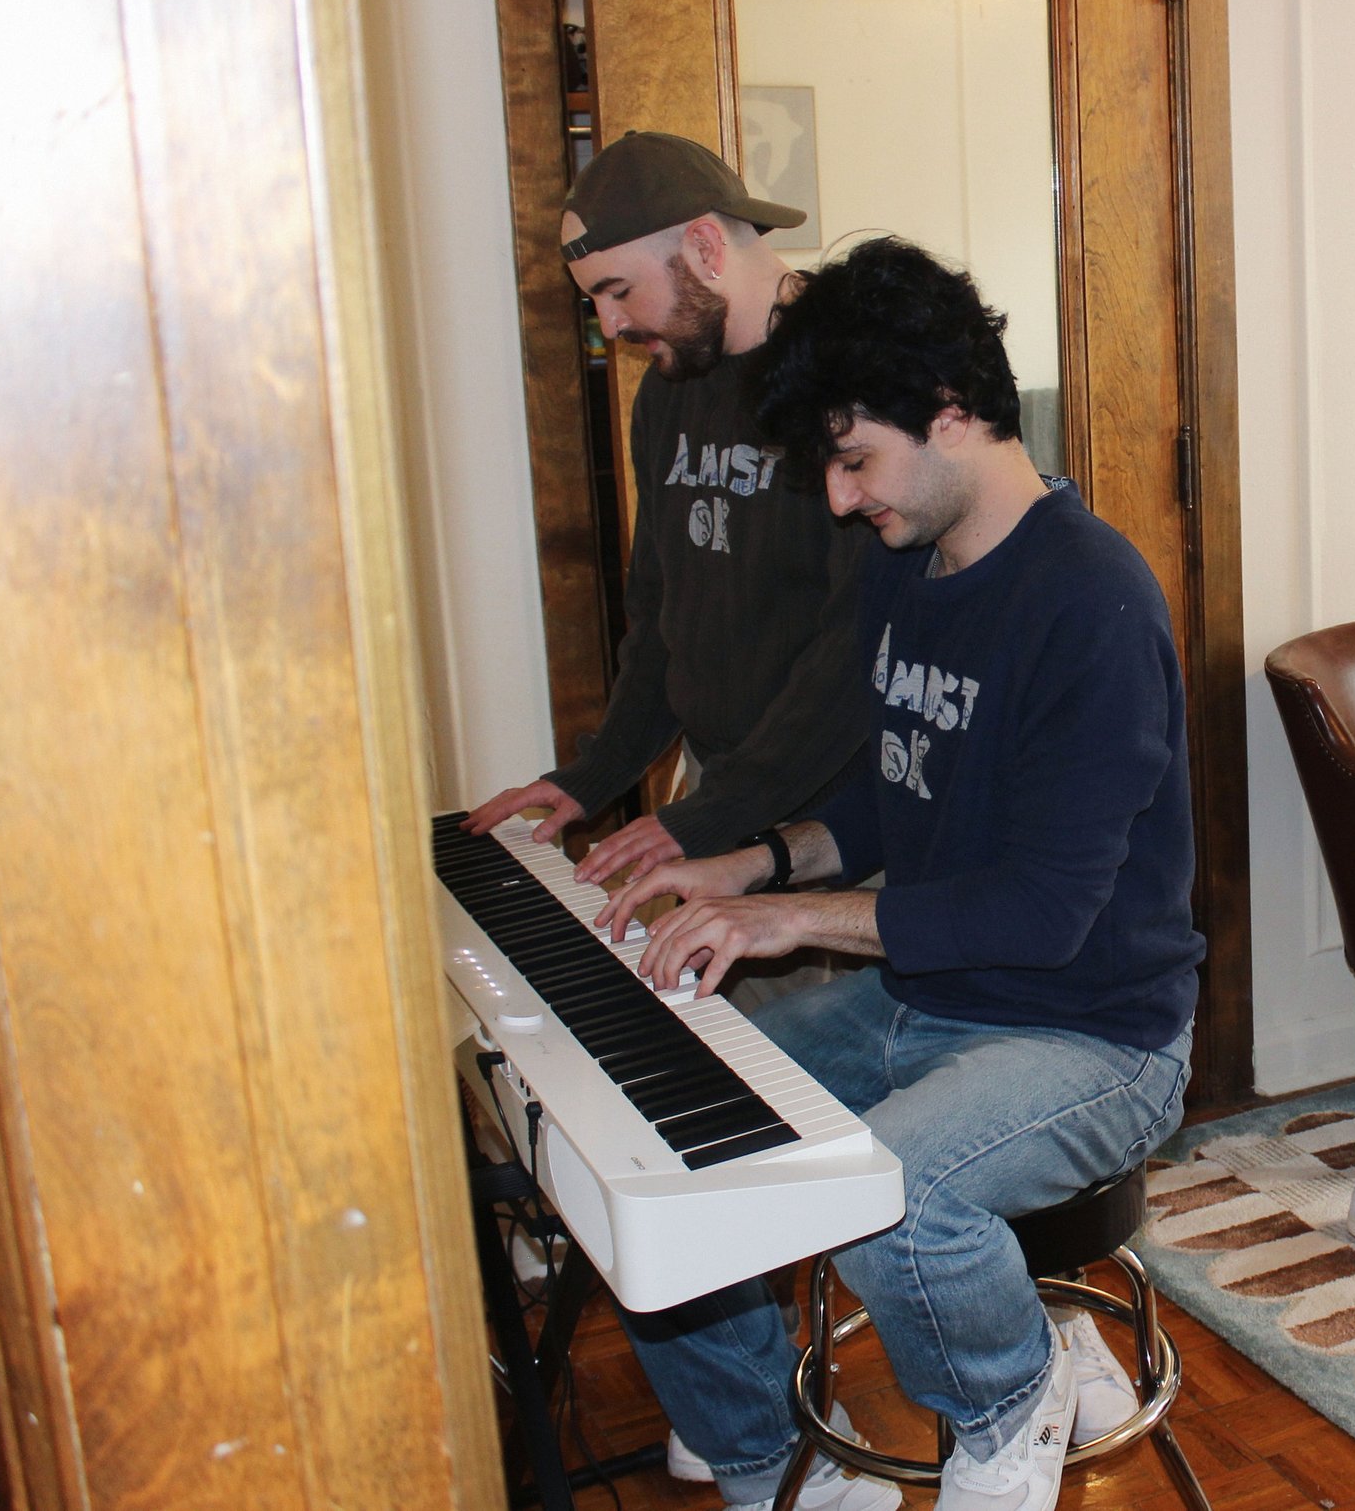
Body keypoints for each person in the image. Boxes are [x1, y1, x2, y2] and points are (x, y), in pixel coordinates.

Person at [596, 237, 1202, 1511]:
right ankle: (772, 1463)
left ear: (955, 414)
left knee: (896, 1188)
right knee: (660, 1127)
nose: (834, 496)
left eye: (854, 458)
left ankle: (1007, 1396)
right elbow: (891, 790)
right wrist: (747, 865)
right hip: (928, 997)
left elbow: (1043, 913)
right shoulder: (901, 569)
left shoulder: (1091, 602)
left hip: (1092, 1031)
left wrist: (790, 915)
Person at [465, 132, 875, 892]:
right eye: (594, 299)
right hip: (719, 793)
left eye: (619, 291)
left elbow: (859, 650)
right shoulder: (668, 393)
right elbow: (661, 615)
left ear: (704, 247)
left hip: (842, 822)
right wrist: (598, 772)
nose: (609, 325)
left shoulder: (854, 380)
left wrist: (709, 816)